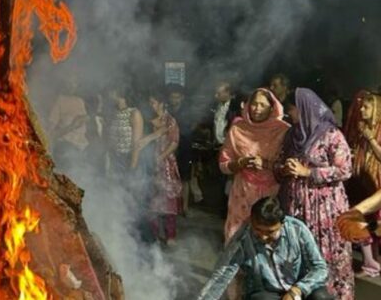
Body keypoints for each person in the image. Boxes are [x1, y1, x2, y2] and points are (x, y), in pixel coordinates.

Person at [279, 88, 354, 299]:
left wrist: (308, 172)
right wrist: (284, 169)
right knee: (302, 254)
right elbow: (279, 162)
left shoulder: (331, 134)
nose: (290, 114)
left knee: (327, 253)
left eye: (292, 109)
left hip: (326, 208)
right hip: (298, 206)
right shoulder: (292, 135)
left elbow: (344, 169)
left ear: (305, 109)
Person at [197, 195, 334, 299]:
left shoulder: (298, 230)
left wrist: (297, 290)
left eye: (269, 232)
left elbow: (320, 269)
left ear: (282, 223)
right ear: (251, 221)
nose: (262, 237)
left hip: (298, 288)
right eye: (258, 230)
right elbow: (222, 274)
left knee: (321, 296)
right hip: (265, 292)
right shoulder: (242, 238)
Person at [219, 88, 289, 242]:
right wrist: (240, 163)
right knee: (236, 236)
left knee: (266, 237)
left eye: (262, 105)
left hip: (271, 195)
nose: (257, 109)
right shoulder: (238, 129)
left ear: (272, 107)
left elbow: (289, 165)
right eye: (254, 104)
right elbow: (223, 164)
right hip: (241, 193)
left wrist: (266, 164)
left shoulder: (283, 131)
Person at [343, 90, 381, 276]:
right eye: (361, 107)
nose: (362, 110)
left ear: (376, 109)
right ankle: (371, 263)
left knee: (373, 223)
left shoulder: (378, 129)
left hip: (376, 183)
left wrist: (371, 138)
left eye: (366, 107)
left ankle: (372, 263)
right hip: (361, 181)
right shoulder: (360, 127)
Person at [139, 91, 182, 244]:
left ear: (162, 103)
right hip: (150, 165)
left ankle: (170, 234)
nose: (152, 106)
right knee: (153, 200)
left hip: (166, 165)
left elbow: (174, 142)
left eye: (154, 103)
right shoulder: (149, 121)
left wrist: (160, 157)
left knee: (169, 200)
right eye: (150, 103)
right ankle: (154, 233)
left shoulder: (170, 120)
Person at [48, 76, 89, 173]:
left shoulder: (80, 101)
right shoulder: (60, 100)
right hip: (65, 147)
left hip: (81, 148)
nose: (72, 86)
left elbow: (83, 122)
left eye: (74, 83)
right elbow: (51, 130)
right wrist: (73, 126)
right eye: (69, 83)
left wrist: (85, 119)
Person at [167, 85, 194, 214]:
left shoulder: (187, 111)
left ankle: (185, 207)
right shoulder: (167, 112)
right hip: (170, 147)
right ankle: (174, 205)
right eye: (172, 97)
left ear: (182, 98)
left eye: (177, 97)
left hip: (184, 148)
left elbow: (192, 127)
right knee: (171, 177)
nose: (174, 100)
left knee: (185, 178)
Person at [106, 87, 143, 176]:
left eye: (110, 90)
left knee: (127, 187)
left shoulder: (134, 113)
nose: (107, 93)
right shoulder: (113, 112)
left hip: (128, 158)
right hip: (115, 157)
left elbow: (137, 143)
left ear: (117, 93)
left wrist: (132, 168)